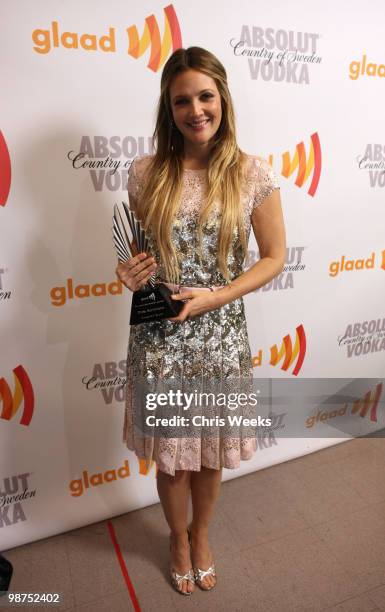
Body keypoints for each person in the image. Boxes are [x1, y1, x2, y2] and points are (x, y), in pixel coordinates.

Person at [115, 46, 286, 596]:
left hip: (219, 340)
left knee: (210, 453)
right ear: (168, 108)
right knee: (173, 460)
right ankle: (177, 538)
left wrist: (216, 297)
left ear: (223, 98)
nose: (196, 110)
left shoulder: (251, 172)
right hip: (161, 341)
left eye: (205, 96)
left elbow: (273, 256)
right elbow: (147, 257)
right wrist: (132, 270)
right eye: (182, 100)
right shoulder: (145, 174)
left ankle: (202, 534)